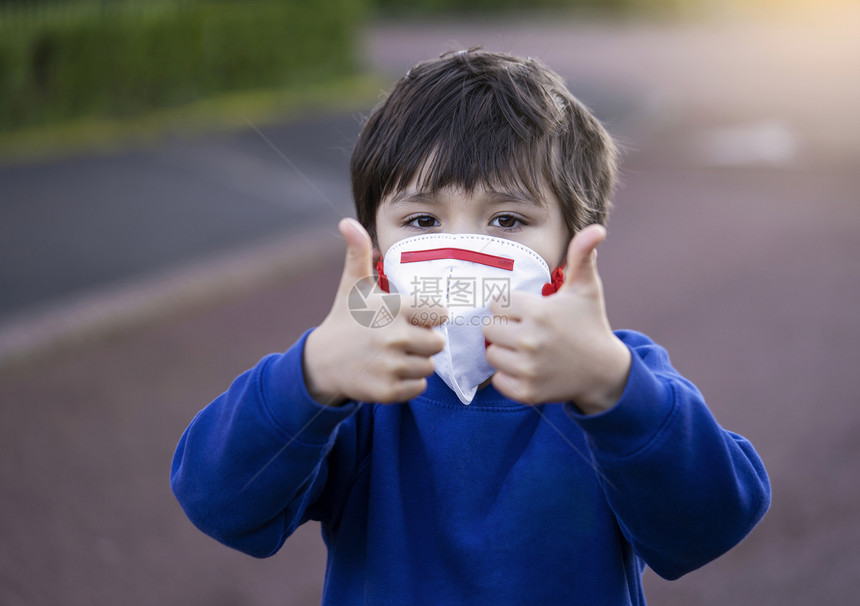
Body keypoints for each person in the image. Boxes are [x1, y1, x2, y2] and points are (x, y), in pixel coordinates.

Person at [171, 49, 770, 604]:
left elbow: (708, 526)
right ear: (377, 247)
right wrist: (311, 376)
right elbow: (220, 503)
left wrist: (613, 390)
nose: (461, 249)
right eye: (423, 219)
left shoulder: (611, 372)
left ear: (569, 247)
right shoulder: (357, 378)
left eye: (508, 219)